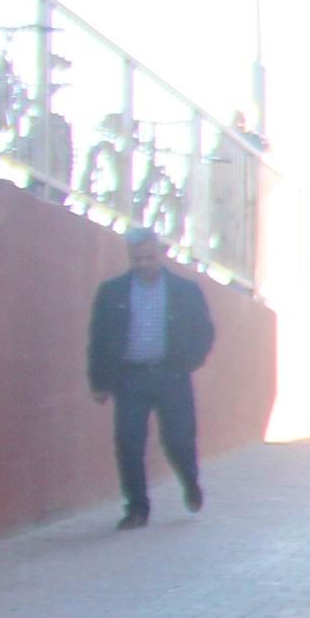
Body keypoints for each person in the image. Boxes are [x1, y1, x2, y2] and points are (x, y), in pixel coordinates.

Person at [86, 225, 217, 530]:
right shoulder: (113, 292)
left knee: (179, 439)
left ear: (159, 254)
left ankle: (190, 481)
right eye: (137, 259)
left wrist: (189, 361)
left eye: (148, 258)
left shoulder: (185, 291)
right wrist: (99, 382)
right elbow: (99, 339)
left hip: (172, 375)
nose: (143, 264)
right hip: (131, 377)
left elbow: (205, 332)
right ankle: (137, 508)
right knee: (129, 442)